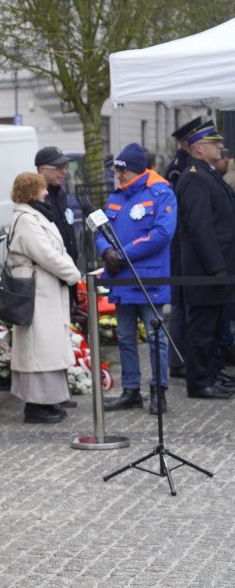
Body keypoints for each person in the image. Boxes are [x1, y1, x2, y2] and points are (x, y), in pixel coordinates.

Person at [97, 143, 177, 415]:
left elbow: (162, 234)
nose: (117, 177)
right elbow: (101, 229)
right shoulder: (116, 196)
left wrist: (121, 254)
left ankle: (159, 391)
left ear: (136, 171)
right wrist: (106, 251)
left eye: (123, 172)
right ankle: (131, 390)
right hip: (120, 277)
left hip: (148, 279)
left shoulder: (160, 193)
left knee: (156, 339)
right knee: (126, 338)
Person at [6, 172, 83, 423]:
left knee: (47, 346)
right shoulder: (27, 219)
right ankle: (37, 405)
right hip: (38, 291)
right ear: (31, 191)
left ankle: (48, 402)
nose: (46, 192)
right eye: (41, 188)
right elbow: (46, 254)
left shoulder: (35, 215)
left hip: (45, 289)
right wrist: (73, 274)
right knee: (39, 348)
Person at [173, 120, 235, 400]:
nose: (221, 146)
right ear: (199, 148)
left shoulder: (206, 174)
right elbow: (201, 229)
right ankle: (198, 383)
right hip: (207, 270)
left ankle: (210, 374)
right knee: (202, 330)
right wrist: (216, 268)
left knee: (212, 326)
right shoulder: (194, 177)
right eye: (215, 143)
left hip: (218, 268)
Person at [163, 116, 202, 380]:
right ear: (190, 142)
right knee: (181, 302)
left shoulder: (183, 164)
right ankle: (178, 359)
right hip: (181, 244)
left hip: (182, 243)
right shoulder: (179, 168)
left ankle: (181, 358)